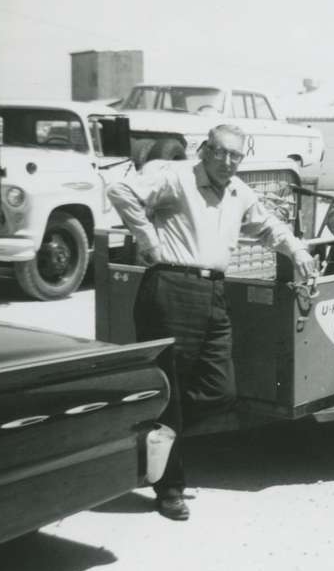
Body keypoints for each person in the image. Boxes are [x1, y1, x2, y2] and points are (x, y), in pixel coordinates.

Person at [106, 123, 317, 521]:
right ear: (204, 150)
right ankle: (170, 489)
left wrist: (298, 249)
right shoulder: (177, 177)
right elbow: (120, 190)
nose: (227, 161)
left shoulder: (238, 191)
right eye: (220, 152)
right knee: (170, 389)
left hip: (214, 292)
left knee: (220, 390)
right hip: (171, 287)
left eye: (235, 155)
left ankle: (154, 438)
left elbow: (267, 225)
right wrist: (147, 238)